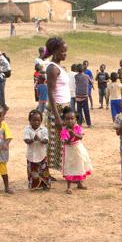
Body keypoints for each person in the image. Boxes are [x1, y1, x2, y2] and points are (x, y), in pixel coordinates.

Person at [44, 37, 71, 172]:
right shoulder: (52, 69)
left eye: (66, 51)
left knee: (64, 141)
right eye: (62, 51)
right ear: (54, 52)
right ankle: (46, 172)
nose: (65, 54)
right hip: (57, 108)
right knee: (53, 142)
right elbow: (50, 92)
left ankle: (66, 170)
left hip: (64, 107)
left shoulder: (60, 67)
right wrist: (57, 117)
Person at [60, 106, 92, 193]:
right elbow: (66, 142)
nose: (70, 121)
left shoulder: (77, 128)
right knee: (70, 167)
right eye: (67, 119)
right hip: (69, 151)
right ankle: (69, 187)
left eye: (72, 119)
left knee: (79, 165)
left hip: (78, 149)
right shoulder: (64, 131)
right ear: (64, 120)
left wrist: (74, 134)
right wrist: (71, 137)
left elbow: (81, 137)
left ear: (75, 119)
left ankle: (79, 183)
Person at [24, 109, 51, 190]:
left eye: (38, 120)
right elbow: (26, 140)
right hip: (31, 156)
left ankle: (45, 184)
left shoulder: (44, 129)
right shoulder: (27, 129)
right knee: (33, 171)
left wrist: (40, 140)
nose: (36, 122)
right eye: (34, 120)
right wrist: (32, 140)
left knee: (44, 171)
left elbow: (46, 140)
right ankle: (34, 185)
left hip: (41, 155)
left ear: (41, 121)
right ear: (30, 120)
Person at [73, 63, 93, 127]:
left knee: (79, 111)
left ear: (77, 70)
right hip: (85, 96)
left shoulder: (76, 76)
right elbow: (91, 82)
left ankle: (79, 123)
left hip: (78, 95)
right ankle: (89, 124)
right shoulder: (87, 76)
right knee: (86, 110)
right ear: (84, 69)